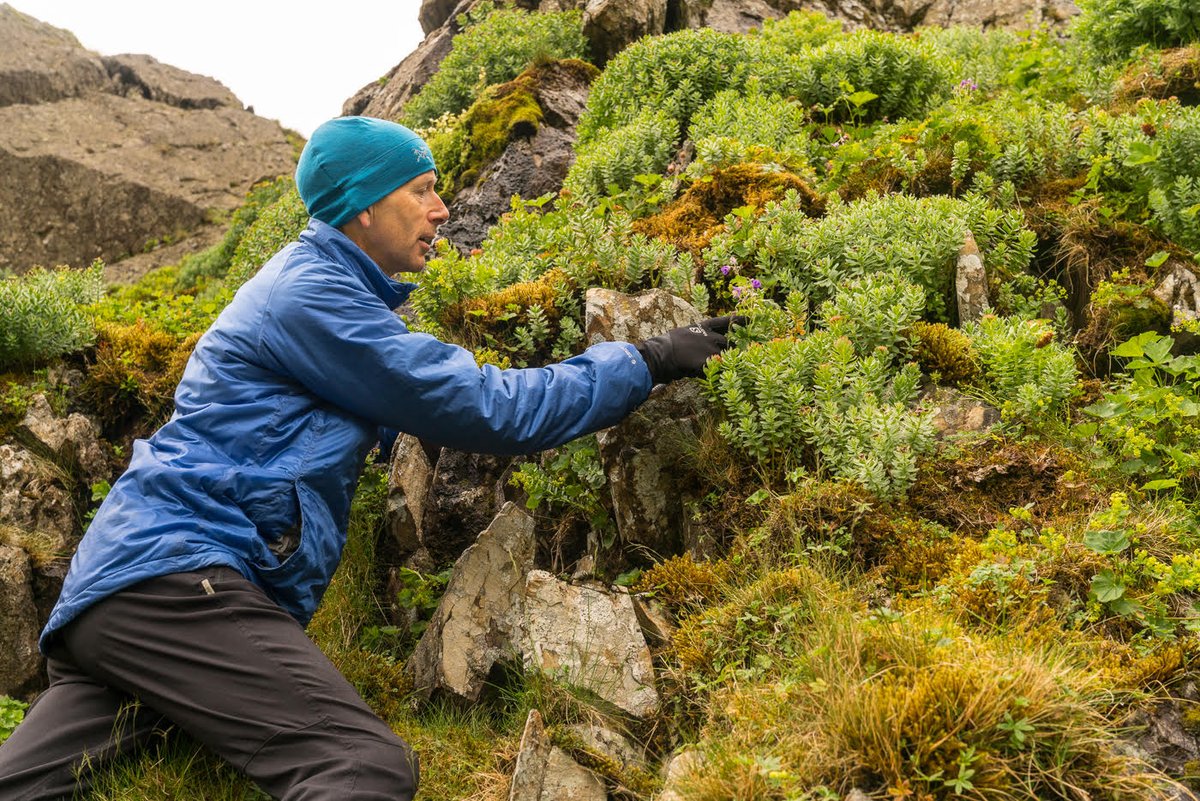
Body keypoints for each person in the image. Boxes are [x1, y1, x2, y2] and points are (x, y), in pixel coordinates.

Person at [0, 116, 738, 800]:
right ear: (361, 209)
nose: (442, 208)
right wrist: (644, 359)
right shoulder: (312, 299)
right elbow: (490, 408)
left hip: (118, 596)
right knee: (362, 767)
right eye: (420, 191)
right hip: (177, 579)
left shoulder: (321, 292)